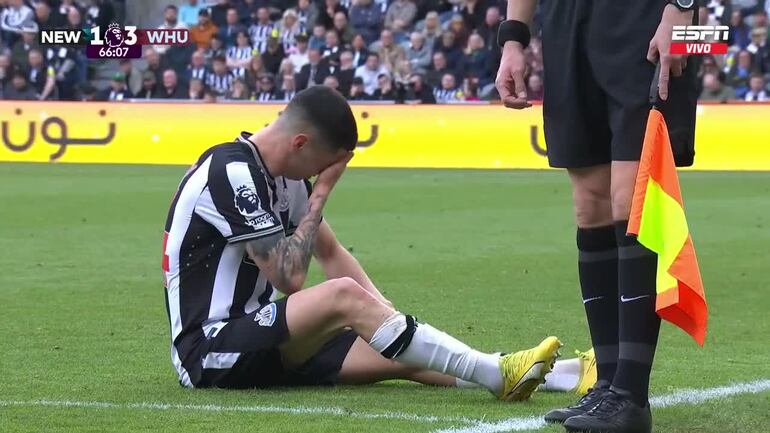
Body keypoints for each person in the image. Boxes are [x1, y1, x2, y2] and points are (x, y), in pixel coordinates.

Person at [161, 85, 562, 398]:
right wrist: (321, 193)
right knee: (343, 297)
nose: (320, 177)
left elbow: (331, 252)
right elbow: (289, 277)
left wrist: (384, 318)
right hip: (210, 352)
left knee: (399, 351)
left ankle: (566, 376)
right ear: (300, 143)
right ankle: (497, 376)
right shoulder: (233, 173)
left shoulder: (284, 174)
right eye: (323, 167)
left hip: (263, 341)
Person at [495, 0, 699, 432]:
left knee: (631, 200)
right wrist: (513, 38)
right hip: (567, 24)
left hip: (643, 19)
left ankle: (631, 395)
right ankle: (607, 386)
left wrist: (682, 11)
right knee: (591, 205)